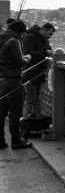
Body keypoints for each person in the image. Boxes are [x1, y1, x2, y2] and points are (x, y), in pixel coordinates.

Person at [0, 20, 32, 149]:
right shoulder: (14, 41)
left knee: (1, 113)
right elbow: (19, 61)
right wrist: (28, 57)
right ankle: (16, 141)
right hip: (12, 81)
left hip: (0, 81)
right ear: (21, 32)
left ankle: (0, 141)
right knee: (15, 112)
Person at [22, 22, 55, 116]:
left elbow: (47, 51)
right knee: (31, 99)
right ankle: (27, 122)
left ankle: (35, 122)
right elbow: (27, 54)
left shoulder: (44, 40)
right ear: (43, 30)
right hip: (30, 72)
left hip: (40, 73)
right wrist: (45, 52)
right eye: (49, 34)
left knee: (37, 99)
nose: (50, 37)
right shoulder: (30, 37)